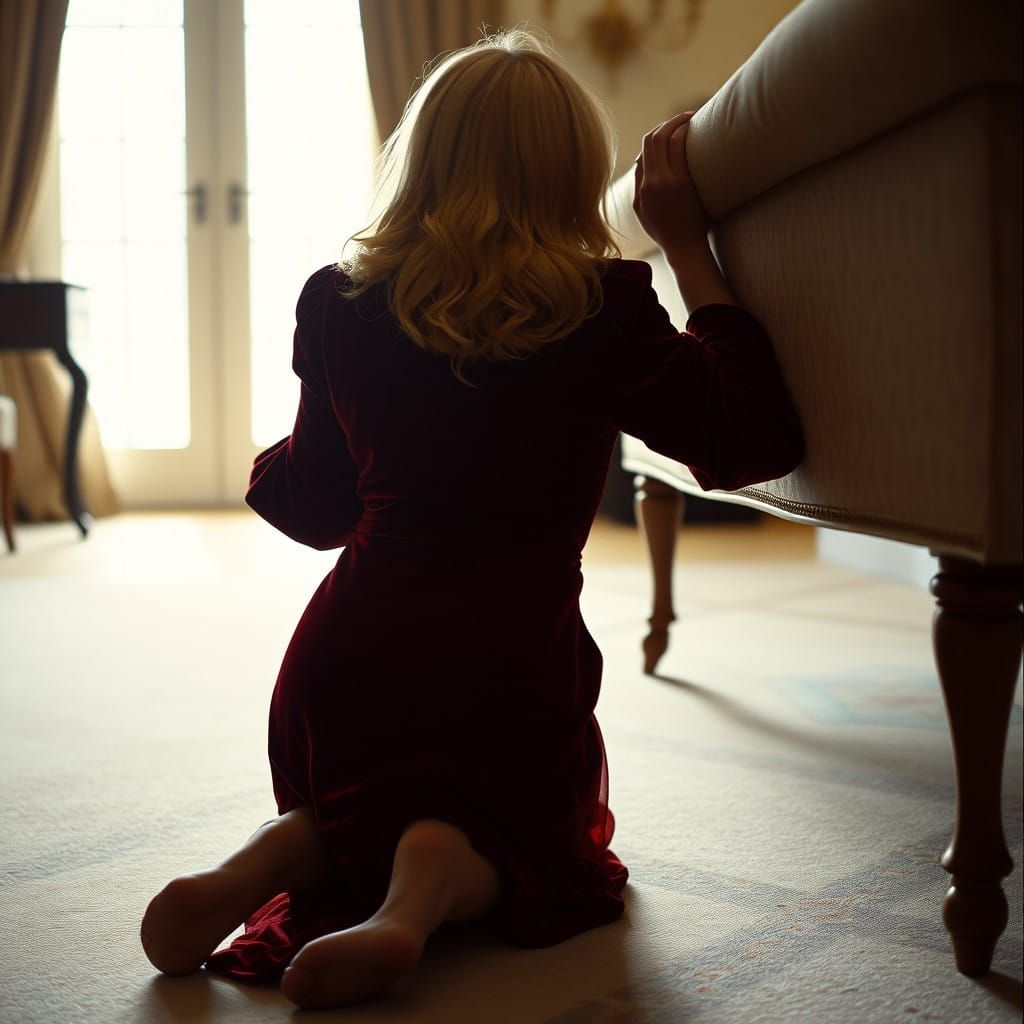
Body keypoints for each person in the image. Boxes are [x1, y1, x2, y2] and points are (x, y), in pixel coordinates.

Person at [139, 28, 804, 1011]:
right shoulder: (599, 307)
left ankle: (258, 865)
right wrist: (686, 251)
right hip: (508, 659)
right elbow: (749, 435)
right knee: (525, 834)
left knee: (342, 804)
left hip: (348, 658)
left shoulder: (338, 303)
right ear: (569, 177)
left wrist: (280, 461)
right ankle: (422, 898)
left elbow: (314, 504)